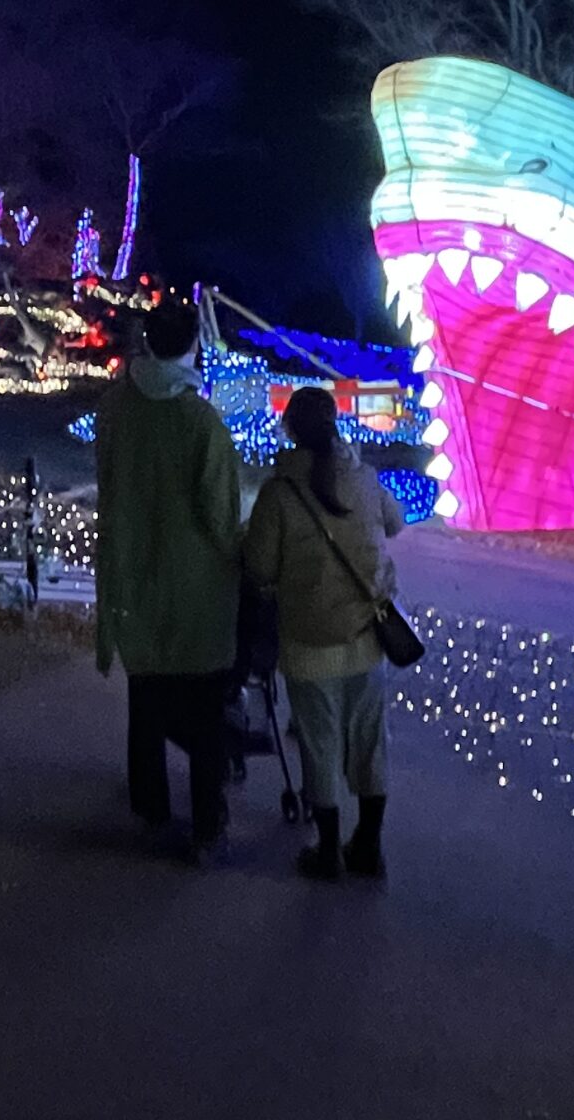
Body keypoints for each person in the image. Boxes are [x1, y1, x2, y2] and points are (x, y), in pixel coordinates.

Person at [93, 291, 243, 861]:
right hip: (195, 585)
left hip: (132, 569)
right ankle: (206, 826)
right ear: (193, 348)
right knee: (205, 712)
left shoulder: (115, 408)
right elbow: (219, 513)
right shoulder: (198, 419)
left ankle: (150, 807)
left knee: (146, 697)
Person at [242, 385, 404, 879]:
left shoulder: (279, 492)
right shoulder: (365, 478)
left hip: (308, 641)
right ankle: (368, 846)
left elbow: (260, 566)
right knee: (369, 741)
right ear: (335, 426)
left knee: (320, 741)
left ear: (290, 429)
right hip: (366, 636)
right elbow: (394, 525)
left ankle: (328, 849)